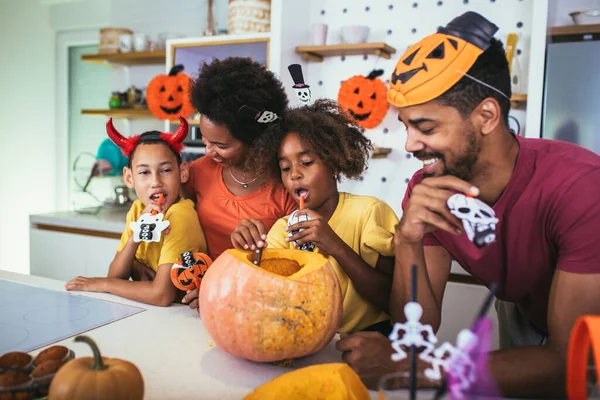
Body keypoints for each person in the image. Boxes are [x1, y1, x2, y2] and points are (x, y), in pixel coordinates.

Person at [335, 11, 600, 397]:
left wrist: (422, 368)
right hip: (520, 312)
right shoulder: (428, 189)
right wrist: (407, 239)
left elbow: (572, 361)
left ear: (486, 116)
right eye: (406, 127)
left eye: (425, 128)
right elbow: (418, 328)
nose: (410, 144)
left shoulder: (581, 187)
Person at [231, 99, 398, 335]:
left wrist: (336, 246)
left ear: (334, 164)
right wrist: (253, 252)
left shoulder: (369, 213)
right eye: (285, 168)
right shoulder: (283, 229)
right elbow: (266, 293)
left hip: (370, 341)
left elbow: (393, 301)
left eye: (306, 162)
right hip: (307, 338)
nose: (295, 175)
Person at [181, 57, 297, 309]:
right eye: (205, 140)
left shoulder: (286, 189)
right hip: (193, 304)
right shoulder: (198, 172)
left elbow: (295, 271)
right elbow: (174, 228)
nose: (209, 151)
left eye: (221, 145)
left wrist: (220, 290)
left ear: (257, 140)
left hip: (254, 305)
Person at [66, 117, 207, 306]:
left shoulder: (180, 215)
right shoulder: (138, 209)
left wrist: (104, 284)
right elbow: (117, 275)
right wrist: (135, 238)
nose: (155, 182)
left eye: (165, 170)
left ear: (182, 172)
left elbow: (161, 295)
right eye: (144, 172)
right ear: (129, 177)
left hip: (180, 315)